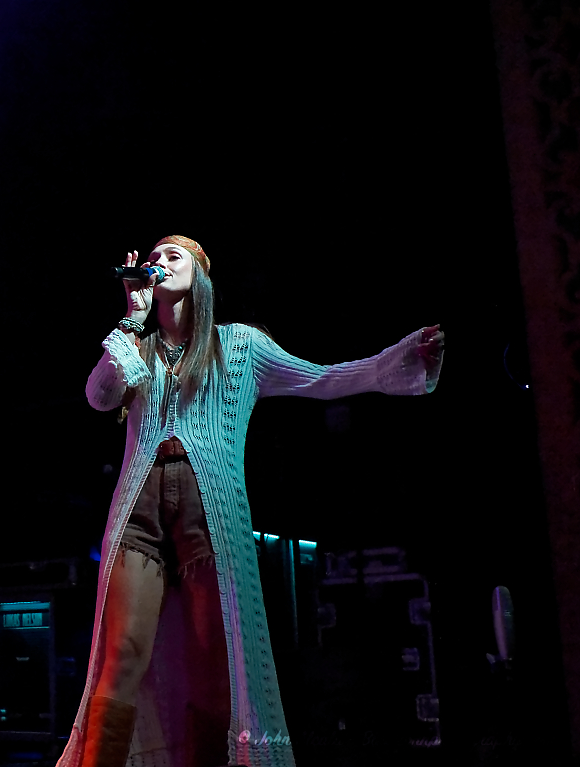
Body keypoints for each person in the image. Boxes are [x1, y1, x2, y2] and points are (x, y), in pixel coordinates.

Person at [58, 236, 445, 767]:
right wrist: (132, 317)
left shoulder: (240, 347)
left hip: (208, 515)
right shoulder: (139, 349)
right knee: (120, 656)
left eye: (174, 256)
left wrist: (396, 363)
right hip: (138, 511)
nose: (160, 262)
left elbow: (322, 379)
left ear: (201, 276)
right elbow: (99, 396)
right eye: (155, 255)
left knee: (216, 664)